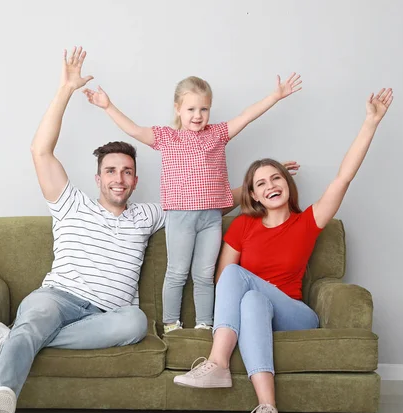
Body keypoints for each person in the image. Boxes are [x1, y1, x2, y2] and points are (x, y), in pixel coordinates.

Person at [0, 47, 172, 413]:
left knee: (136, 322)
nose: (119, 178)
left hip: (107, 316)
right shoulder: (70, 203)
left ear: (135, 179)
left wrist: (254, 186)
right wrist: (65, 90)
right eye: (111, 171)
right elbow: (40, 151)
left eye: (127, 172)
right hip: (57, 298)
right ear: (98, 177)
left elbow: (204, 201)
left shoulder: (146, 215)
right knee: (37, 314)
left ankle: (10, 337)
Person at [173, 88, 393, 413]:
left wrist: (370, 122)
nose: (270, 185)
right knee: (250, 296)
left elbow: (343, 178)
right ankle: (268, 410)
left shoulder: (307, 222)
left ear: (287, 184)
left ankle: (217, 363)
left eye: (276, 177)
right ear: (254, 195)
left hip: (294, 313)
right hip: (253, 311)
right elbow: (222, 279)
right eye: (261, 183)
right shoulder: (243, 225)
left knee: (239, 279)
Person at [83, 71, 302, 334]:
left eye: (204, 109)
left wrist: (275, 96)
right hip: (180, 217)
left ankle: (204, 324)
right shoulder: (167, 138)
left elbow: (247, 116)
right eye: (191, 109)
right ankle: (171, 323)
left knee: (204, 275)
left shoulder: (218, 134)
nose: (197, 115)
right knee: (176, 272)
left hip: (211, 218)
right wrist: (108, 106)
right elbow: (134, 130)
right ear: (178, 109)